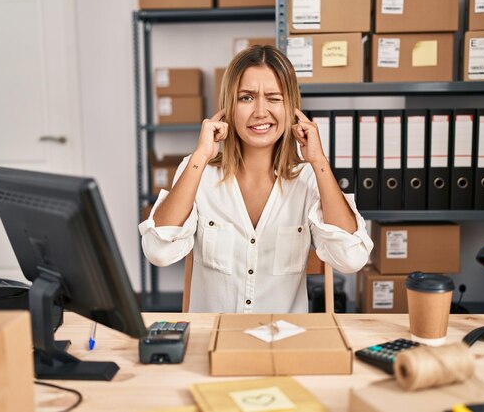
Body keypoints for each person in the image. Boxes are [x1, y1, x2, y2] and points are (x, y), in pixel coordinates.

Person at [139, 45, 373, 313]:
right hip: (214, 341)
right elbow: (158, 252)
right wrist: (201, 155)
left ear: (292, 108)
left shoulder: (308, 179)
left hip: (282, 343)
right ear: (228, 107)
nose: (261, 112)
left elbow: (351, 258)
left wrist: (319, 161)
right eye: (247, 98)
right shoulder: (198, 171)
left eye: (274, 98)